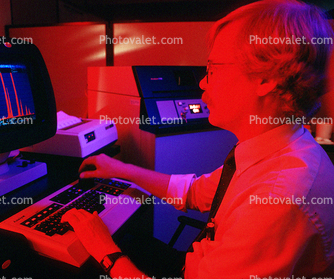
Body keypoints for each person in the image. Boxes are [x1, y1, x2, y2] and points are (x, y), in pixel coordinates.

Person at [62, 0, 334, 277]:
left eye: (213, 68)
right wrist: (120, 170)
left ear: (266, 79)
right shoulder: (272, 148)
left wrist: (105, 250)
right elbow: (194, 192)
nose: (203, 82)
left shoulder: (276, 199)